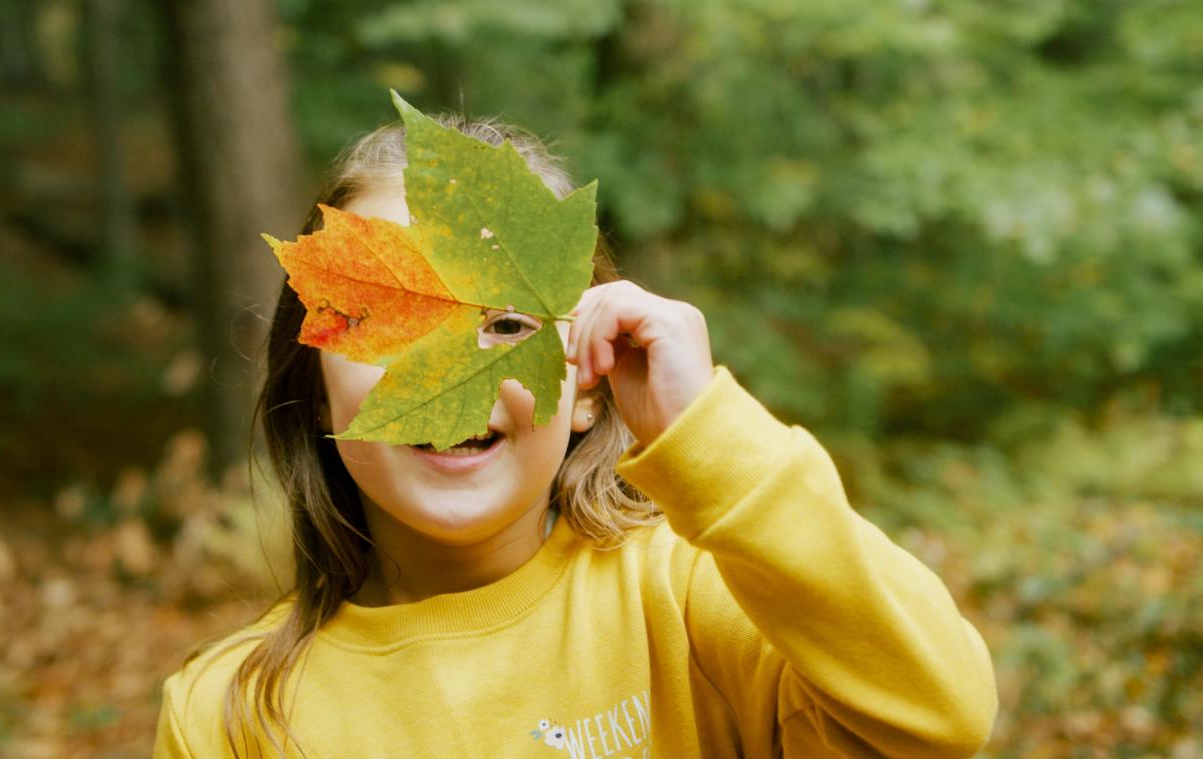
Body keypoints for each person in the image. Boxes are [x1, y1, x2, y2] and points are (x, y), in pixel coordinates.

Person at [152, 115, 997, 759]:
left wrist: (708, 435)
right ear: (317, 384)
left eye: (508, 324)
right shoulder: (228, 713)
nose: (457, 375)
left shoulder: (695, 604)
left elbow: (941, 713)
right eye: (389, 326)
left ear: (586, 385)